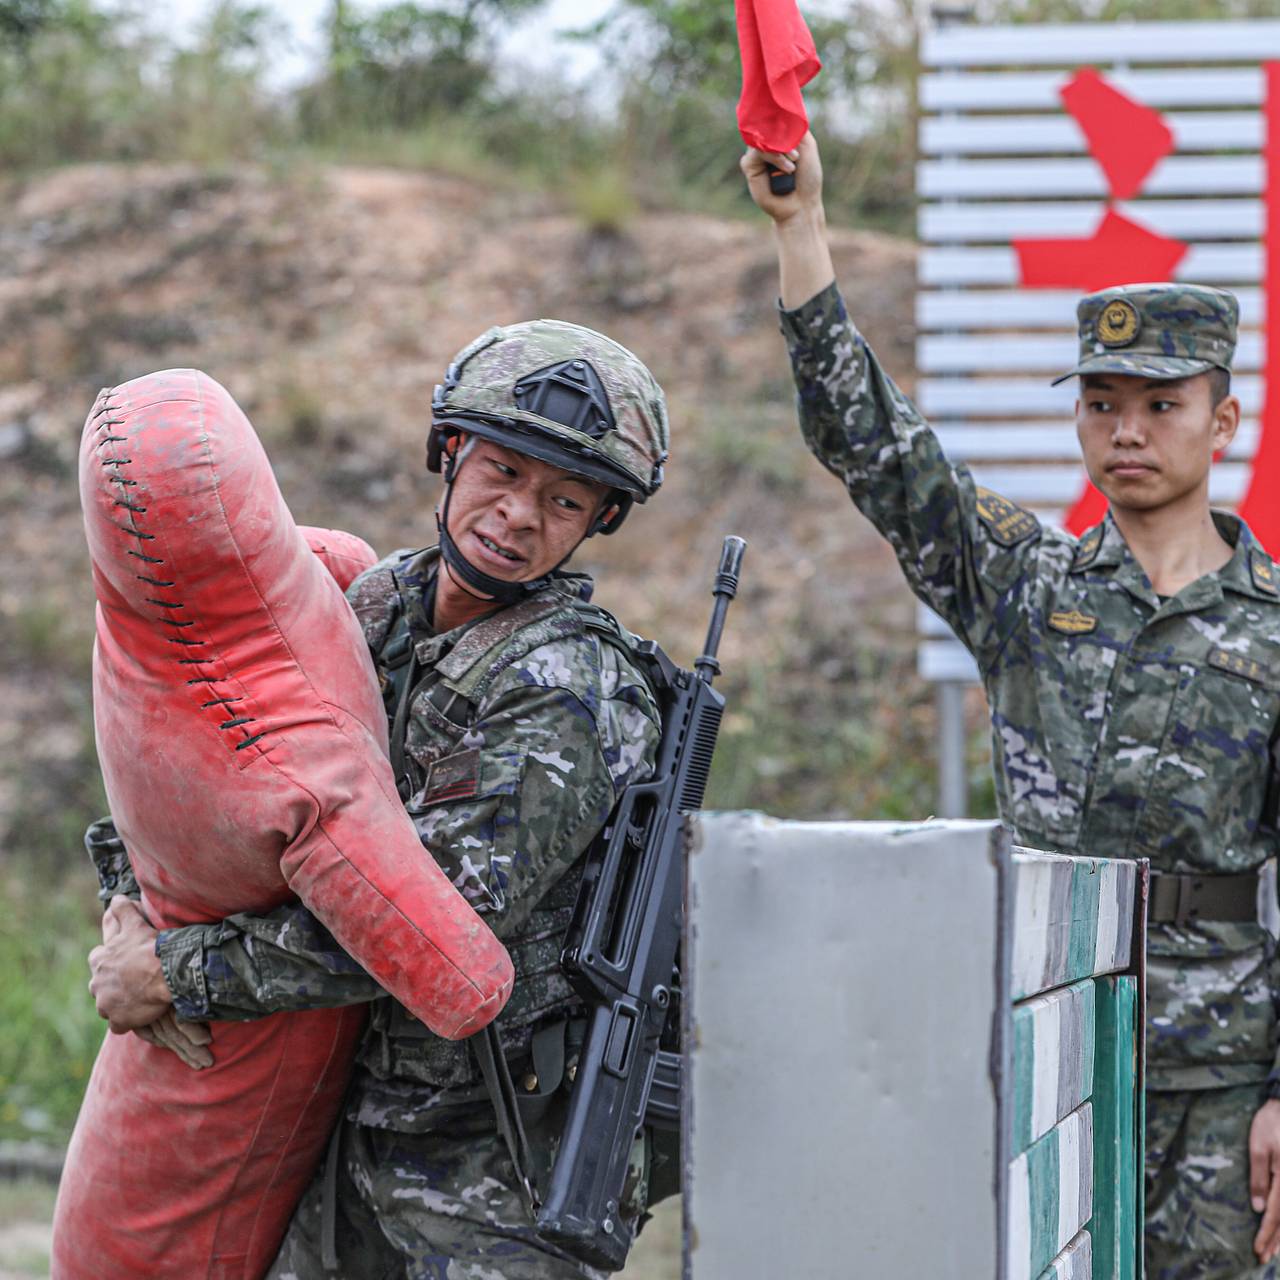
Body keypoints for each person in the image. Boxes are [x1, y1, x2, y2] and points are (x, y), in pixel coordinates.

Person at [742, 132, 1280, 1279]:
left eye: (1157, 403)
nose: (1124, 428)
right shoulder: (1025, 585)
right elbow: (874, 447)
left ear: (1221, 419)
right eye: (1099, 401)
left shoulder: (1274, 626)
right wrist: (800, 230)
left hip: (1216, 1070)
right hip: (1044, 1035)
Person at [86, 319, 674, 1279]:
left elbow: (419, 929)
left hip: (485, 1175)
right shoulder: (367, 600)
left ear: (597, 522)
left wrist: (176, 972)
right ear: (450, 453)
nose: (521, 515)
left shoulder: (569, 689)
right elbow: (205, 751)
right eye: (503, 471)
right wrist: (128, 899)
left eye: (565, 500)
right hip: (329, 1128)